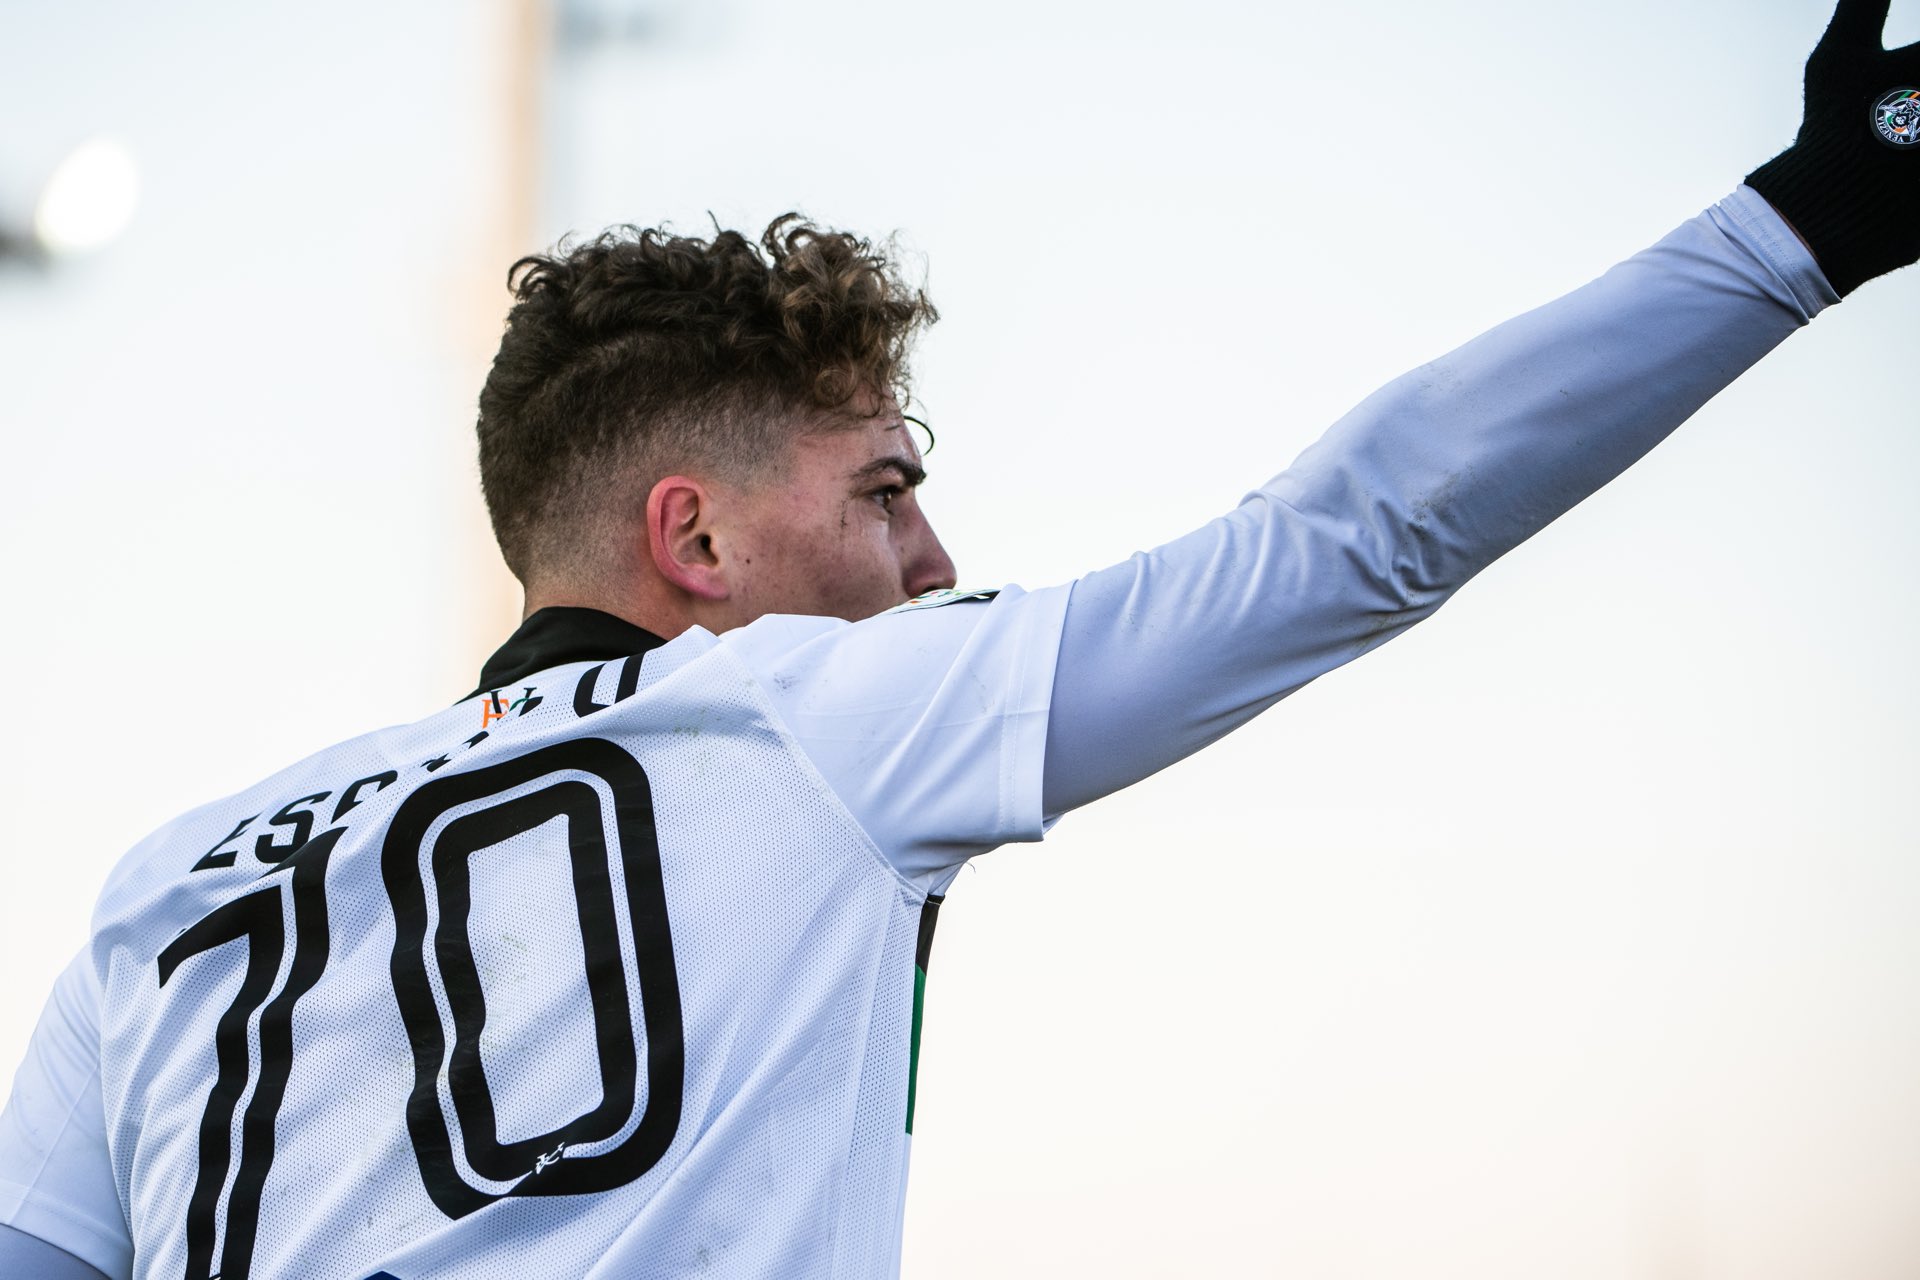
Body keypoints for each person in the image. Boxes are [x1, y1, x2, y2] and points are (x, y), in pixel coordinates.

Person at [2, 2, 1913, 1276]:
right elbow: (1360, 530)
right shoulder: (812, 719)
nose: (934, 558)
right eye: (884, 490)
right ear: (696, 539)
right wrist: (1801, 226)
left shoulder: (156, 888)